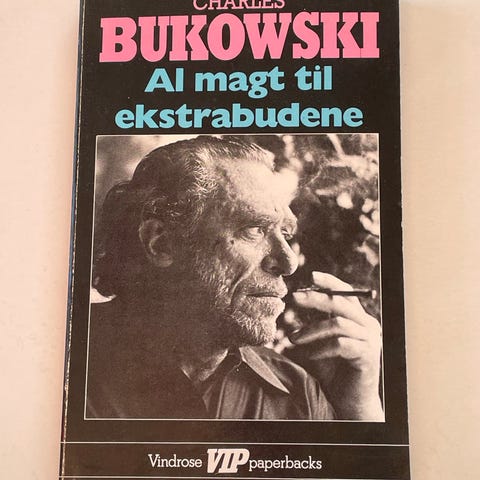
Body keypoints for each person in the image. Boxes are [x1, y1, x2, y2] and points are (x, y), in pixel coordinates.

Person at [86, 136, 383, 421]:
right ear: (161, 243)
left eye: (285, 233)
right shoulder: (73, 360)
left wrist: (358, 409)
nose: (288, 263)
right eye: (254, 229)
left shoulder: (299, 396)